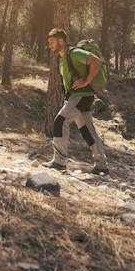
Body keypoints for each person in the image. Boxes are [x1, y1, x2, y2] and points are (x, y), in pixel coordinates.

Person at [42, 28, 109, 175]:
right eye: (48, 42)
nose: (49, 45)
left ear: (61, 41)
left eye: (52, 42)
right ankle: (101, 166)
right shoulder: (62, 59)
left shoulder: (74, 53)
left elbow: (96, 62)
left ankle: (59, 162)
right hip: (76, 97)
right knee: (88, 132)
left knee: (60, 120)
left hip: (82, 96)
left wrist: (86, 81)